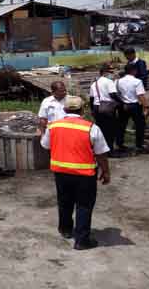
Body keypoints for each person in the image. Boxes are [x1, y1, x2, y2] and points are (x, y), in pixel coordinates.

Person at [40, 96, 111, 250]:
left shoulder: (53, 126)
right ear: (82, 110)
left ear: (65, 109)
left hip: (61, 172)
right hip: (85, 175)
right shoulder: (91, 127)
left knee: (64, 202)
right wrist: (106, 172)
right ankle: (82, 240)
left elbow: (46, 145)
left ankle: (65, 230)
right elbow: (101, 154)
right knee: (84, 205)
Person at [115, 63, 149, 152]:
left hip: (123, 105)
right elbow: (140, 95)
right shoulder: (137, 81)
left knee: (121, 125)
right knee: (140, 125)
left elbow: (116, 94)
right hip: (135, 106)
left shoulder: (118, 81)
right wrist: (146, 107)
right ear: (133, 71)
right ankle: (139, 144)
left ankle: (120, 143)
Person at [89, 64, 122, 154]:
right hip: (107, 108)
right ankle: (110, 150)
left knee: (101, 130)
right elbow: (113, 94)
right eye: (111, 72)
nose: (112, 74)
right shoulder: (109, 82)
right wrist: (121, 102)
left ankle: (101, 150)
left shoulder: (94, 84)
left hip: (97, 108)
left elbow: (91, 99)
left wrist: (92, 111)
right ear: (104, 72)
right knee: (110, 130)